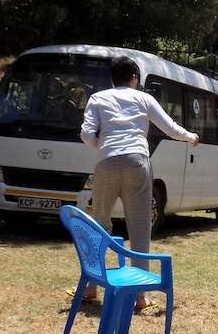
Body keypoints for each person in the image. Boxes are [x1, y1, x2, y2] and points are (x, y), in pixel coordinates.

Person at [79, 56, 199, 310]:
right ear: (134, 78)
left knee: (99, 225)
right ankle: (140, 296)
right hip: (138, 161)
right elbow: (170, 128)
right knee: (140, 227)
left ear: (112, 79)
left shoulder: (98, 98)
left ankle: (91, 288)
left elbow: (86, 134)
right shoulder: (144, 99)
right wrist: (191, 137)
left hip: (106, 162)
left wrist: (106, 147)